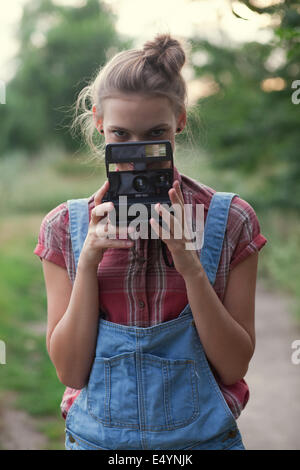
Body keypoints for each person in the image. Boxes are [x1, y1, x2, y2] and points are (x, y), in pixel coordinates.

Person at [34, 34, 267, 450]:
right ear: (98, 123)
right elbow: (70, 372)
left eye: (155, 134)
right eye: (120, 135)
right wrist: (87, 262)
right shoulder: (63, 227)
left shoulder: (230, 220)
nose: (137, 152)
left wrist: (191, 266)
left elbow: (232, 366)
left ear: (180, 119)